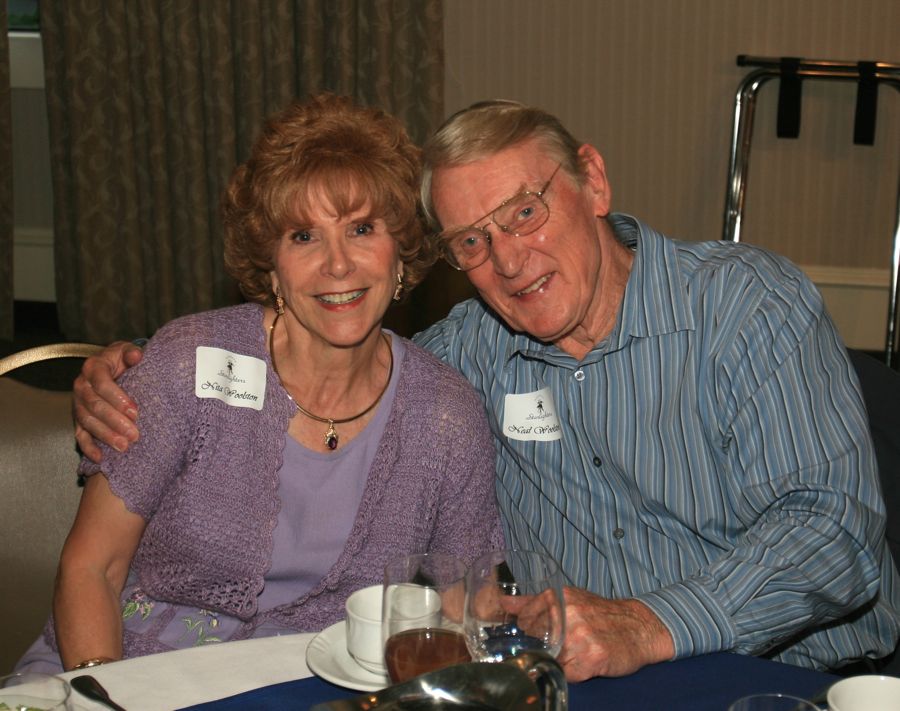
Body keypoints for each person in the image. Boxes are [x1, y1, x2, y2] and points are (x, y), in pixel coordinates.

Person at [71, 99, 900, 680]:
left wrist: (651, 624)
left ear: (594, 183)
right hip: (585, 682)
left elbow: (834, 533)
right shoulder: (470, 354)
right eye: (472, 240)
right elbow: (333, 359)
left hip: (785, 675)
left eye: (527, 212)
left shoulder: (745, 306)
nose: (508, 260)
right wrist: (144, 366)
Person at [16, 94, 502, 674]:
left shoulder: (445, 416)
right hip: (121, 666)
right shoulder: (187, 366)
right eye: (303, 236)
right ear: (271, 267)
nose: (338, 264)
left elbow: (470, 604)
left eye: (362, 229)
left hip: (314, 689)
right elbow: (90, 569)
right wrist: (110, 692)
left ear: (401, 254)